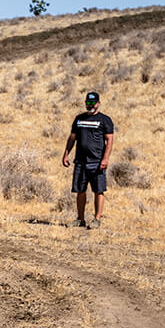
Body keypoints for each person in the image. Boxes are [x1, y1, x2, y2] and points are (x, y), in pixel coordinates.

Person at [61, 91, 115, 229]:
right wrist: (66, 154)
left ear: (98, 103)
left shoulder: (105, 120)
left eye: (93, 102)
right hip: (80, 161)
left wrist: (105, 158)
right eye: (88, 102)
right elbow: (72, 138)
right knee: (80, 191)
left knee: (98, 190)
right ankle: (80, 219)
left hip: (97, 162)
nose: (90, 105)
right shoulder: (79, 119)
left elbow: (109, 140)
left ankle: (97, 219)